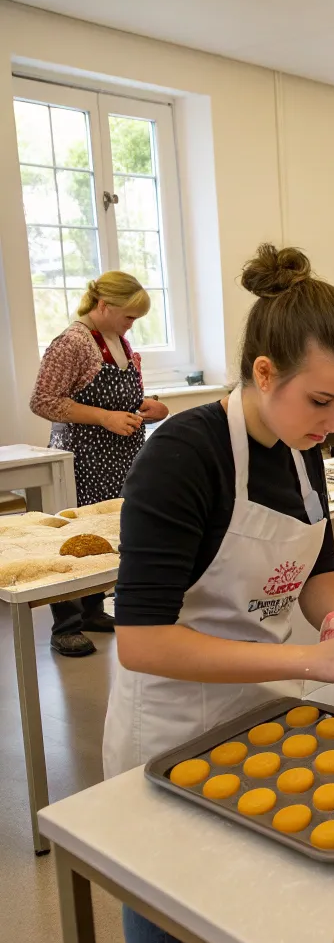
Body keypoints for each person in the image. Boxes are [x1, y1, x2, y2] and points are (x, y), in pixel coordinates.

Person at [103, 244, 334, 943]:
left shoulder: (303, 449)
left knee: (250, 854)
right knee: (160, 878)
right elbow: (141, 641)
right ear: (265, 373)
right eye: (321, 401)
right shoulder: (185, 455)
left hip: (260, 696)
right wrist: (306, 663)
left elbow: (318, 567)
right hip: (172, 713)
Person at [29, 272, 169, 657]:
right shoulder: (72, 343)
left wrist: (151, 407)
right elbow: (44, 401)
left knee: (107, 533)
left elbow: (119, 400)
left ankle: (92, 610)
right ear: (104, 305)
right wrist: (105, 418)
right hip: (82, 458)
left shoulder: (118, 341)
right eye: (129, 316)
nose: (132, 324)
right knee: (73, 538)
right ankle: (65, 626)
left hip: (120, 458)